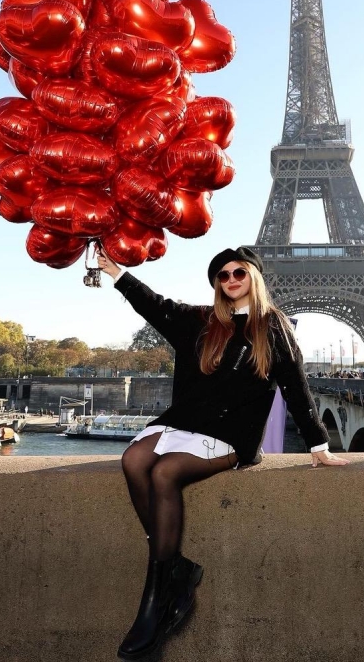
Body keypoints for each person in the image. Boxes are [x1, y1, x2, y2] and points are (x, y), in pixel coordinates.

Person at [97, 246, 348, 660]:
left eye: (238, 273)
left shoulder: (274, 327)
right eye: (222, 276)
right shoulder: (201, 321)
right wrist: (116, 272)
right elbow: (155, 305)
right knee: (134, 459)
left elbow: (296, 386)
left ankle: (155, 597)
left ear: (254, 275)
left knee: (164, 474)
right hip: (185, 422)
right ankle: (173, 568)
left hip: (231, 434)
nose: (230, 280)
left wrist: (317, 444)